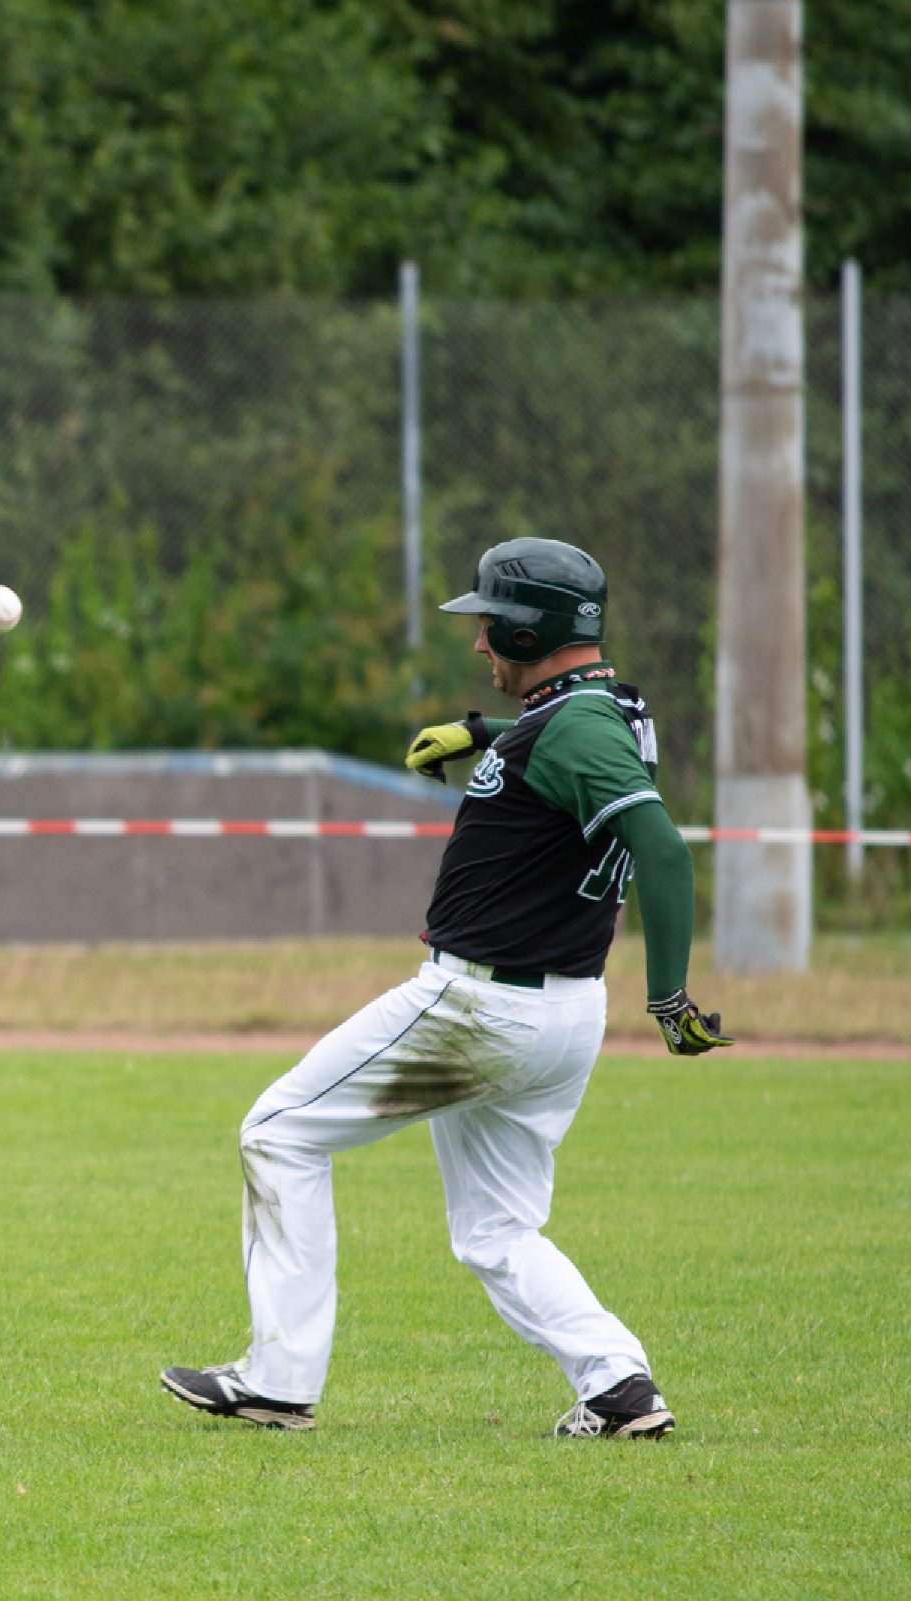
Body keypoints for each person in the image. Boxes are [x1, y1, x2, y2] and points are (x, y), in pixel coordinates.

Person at [162, 537, 732, 1439]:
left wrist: (669, 996)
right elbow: (578, 745)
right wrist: (485, 733)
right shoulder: (608, 706)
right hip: (563, 1009)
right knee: (497, 1231)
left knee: (277, 1133)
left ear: (524, 625)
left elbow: (661, 846)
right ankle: (618, 1384)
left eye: (486, 623)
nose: (477, 643)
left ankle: (278, 1379)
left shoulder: (578, 725)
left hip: (480, 1007)